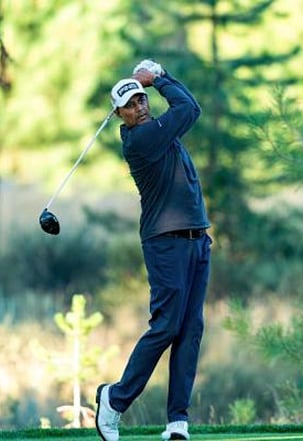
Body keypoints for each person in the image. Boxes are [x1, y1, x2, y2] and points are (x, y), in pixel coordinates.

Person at [95, 60, 212, 441]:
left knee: (190, 329)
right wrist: (160, 78)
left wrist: (156, 82)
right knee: (165, 326)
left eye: (142, 98)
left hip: (197, 241)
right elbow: (190, 109)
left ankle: (177, 421)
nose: (140, 105)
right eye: (131, 103)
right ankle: (114, 400)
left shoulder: (159, 132)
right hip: (166, 243)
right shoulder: (143, 140)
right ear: (120, 114)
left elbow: (184, 112)